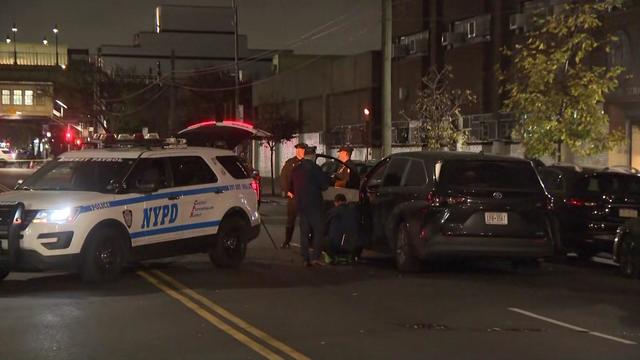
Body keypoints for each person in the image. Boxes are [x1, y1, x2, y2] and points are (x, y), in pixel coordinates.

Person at [289, 146, 330, 266]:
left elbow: (291, 186)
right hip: (314, 204)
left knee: (304, 232)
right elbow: (325, 186)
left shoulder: (296, 169)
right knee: (319, 230)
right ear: (313, 156)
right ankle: (315, 257)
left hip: (301, 204)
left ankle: (305, 258)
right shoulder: (315, 169)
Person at [279, 142, 307, 249]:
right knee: (290, 220)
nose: (302, 152)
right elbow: (283, 177)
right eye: (300, 150)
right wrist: (287, 191)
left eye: (303, 150)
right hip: (293, 197)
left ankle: (307, 242)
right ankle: (287, 241)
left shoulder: (307, 163)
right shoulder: (290, 163)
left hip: (305, 197)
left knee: (305, 221)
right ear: (297, 151)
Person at [325, 193, 361, 264]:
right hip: (353, 247)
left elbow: (324, 224)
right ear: (345, 201)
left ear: (336, 202)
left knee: (322, 239)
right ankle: (351, 256)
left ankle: (332, 258)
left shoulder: (333, 211)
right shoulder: (354, 211)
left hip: (337, 246)